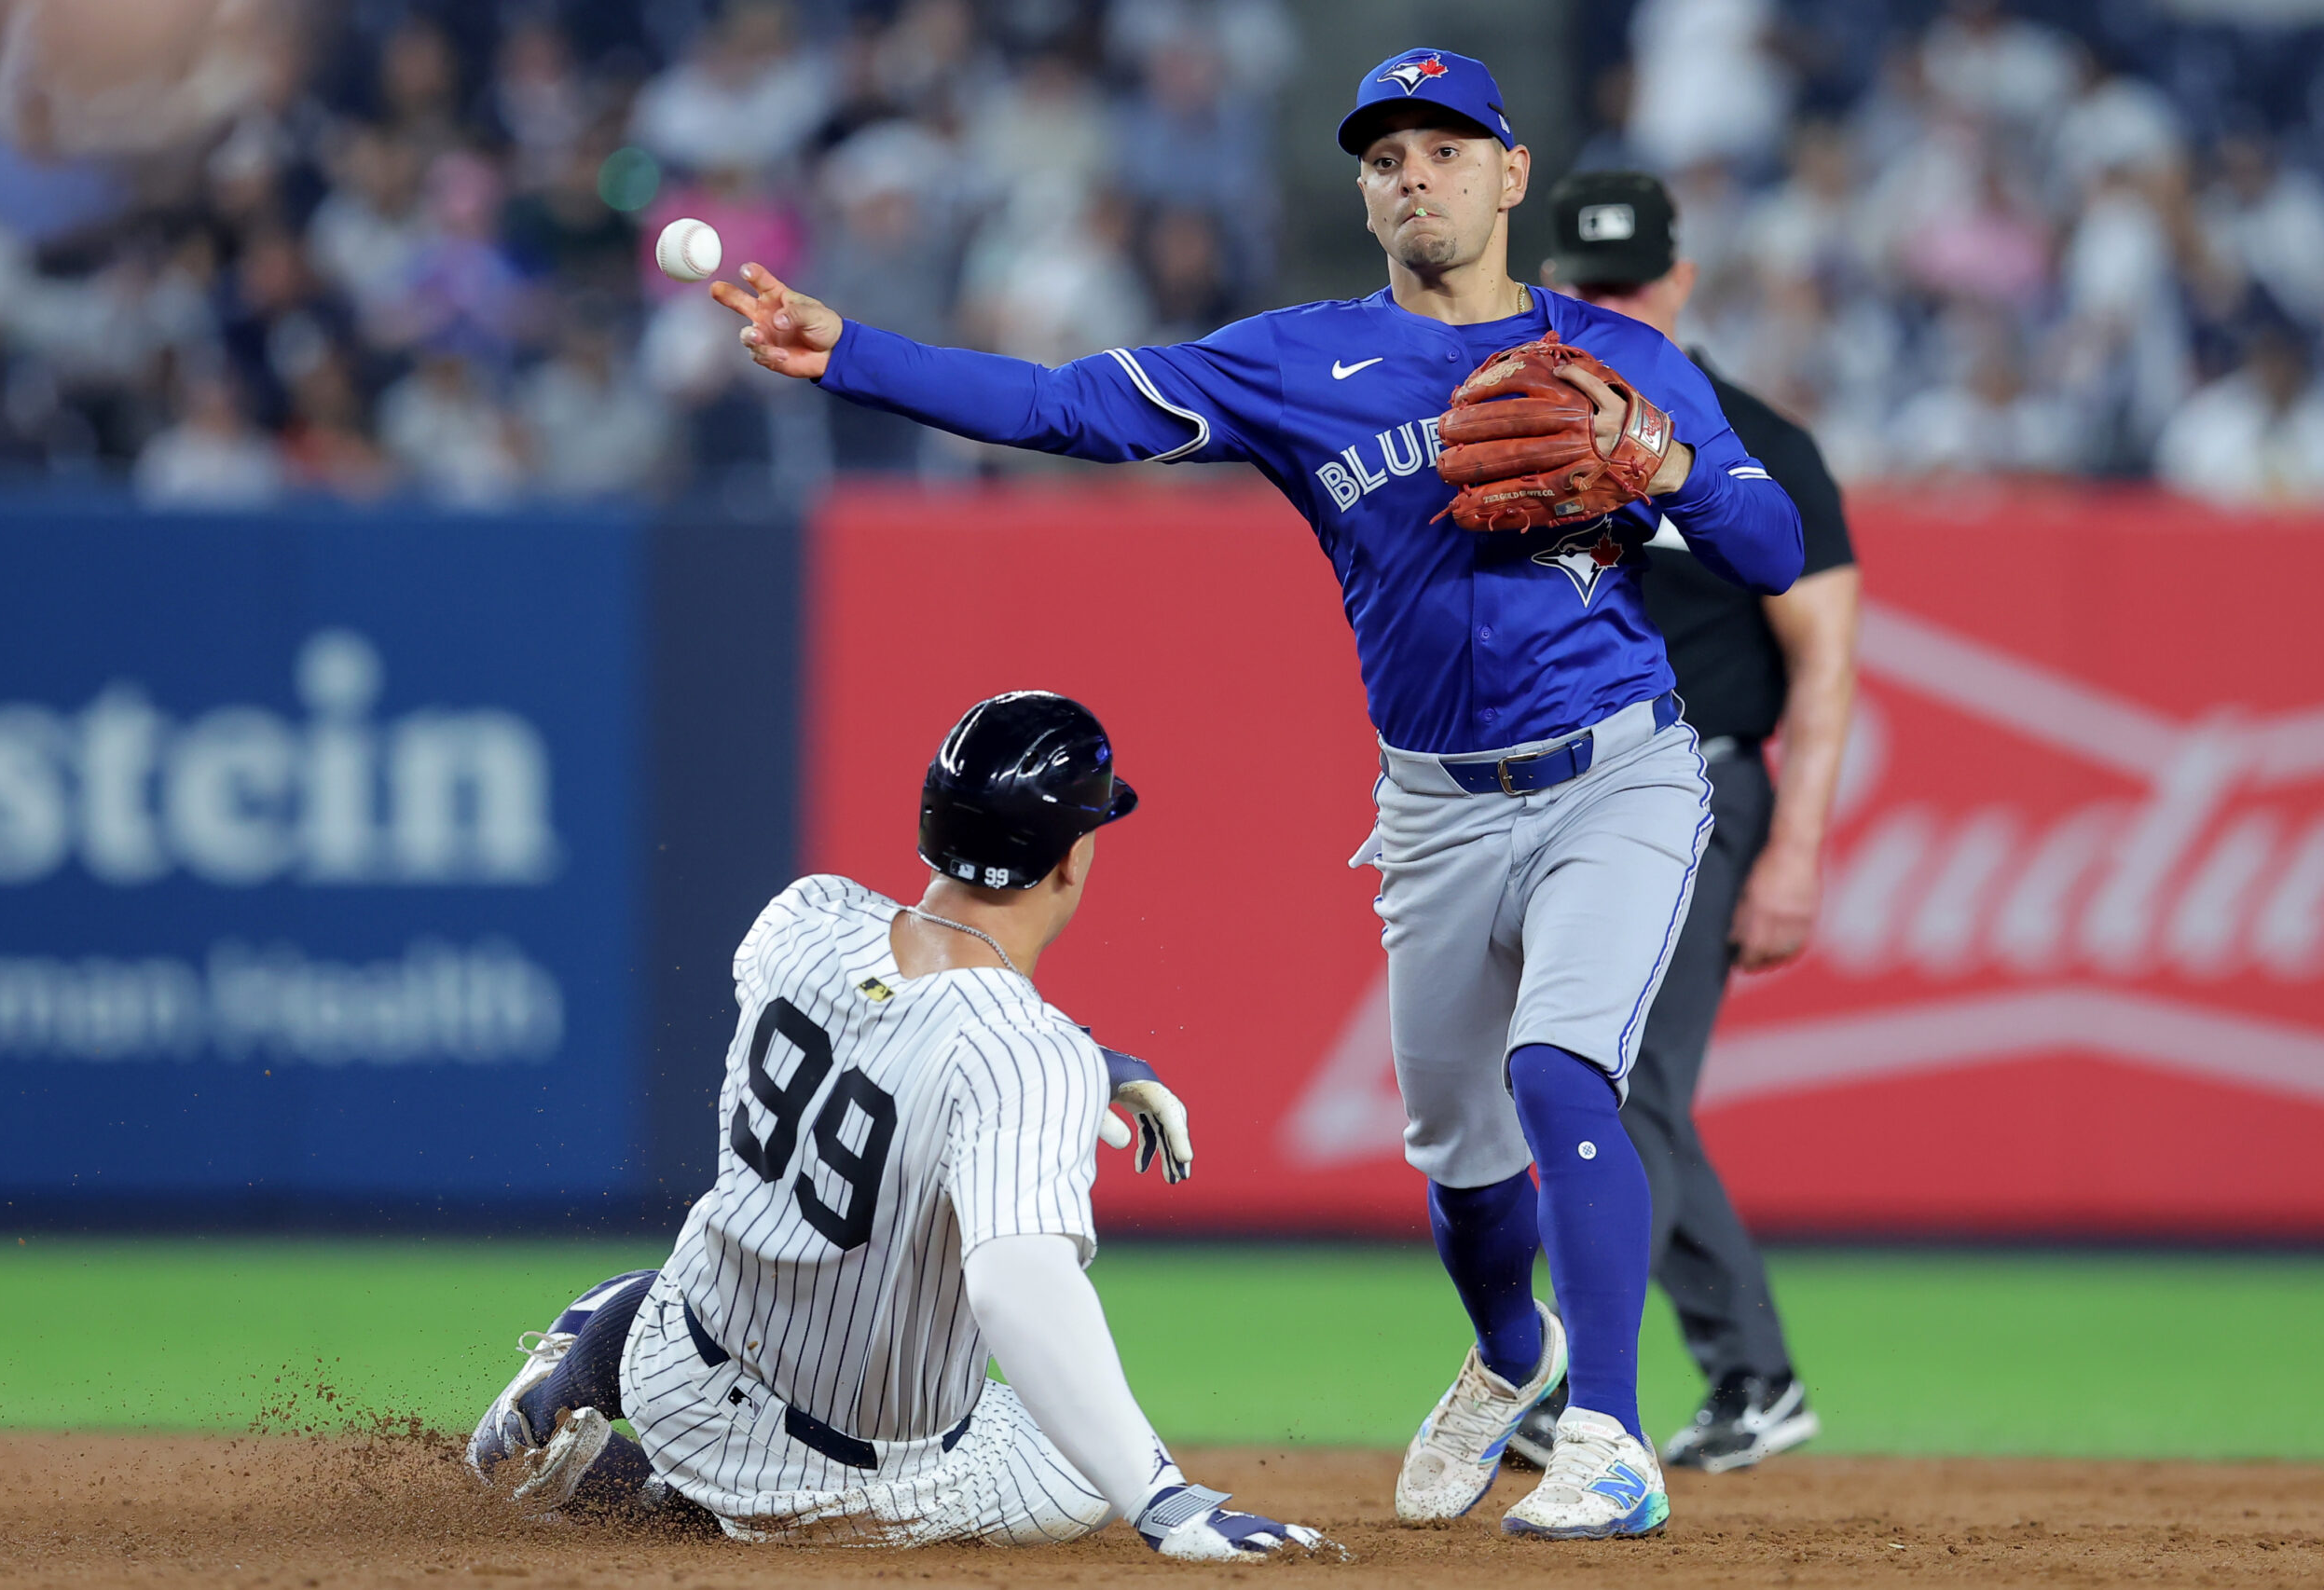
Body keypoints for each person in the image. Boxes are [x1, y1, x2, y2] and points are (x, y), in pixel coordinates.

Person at [717, 48, 1803, 1540]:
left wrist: (1660, 458)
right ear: (1364, 195)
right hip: (1432, 805)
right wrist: (852, 353)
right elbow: (1066, 406)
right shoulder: (1301, 362)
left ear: (1511, 172)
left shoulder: (1612, 355)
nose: (1412, 172)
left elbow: (1772, 544)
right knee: (1463, 1163)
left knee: (1562, 1069)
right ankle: (1510, 1353)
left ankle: (1609, 1433)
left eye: (1443, 146)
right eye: (1384, 157)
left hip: (1618, 768)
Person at [463, 692, 1328, 1560]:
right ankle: (664, 1501)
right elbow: (1017, 1286)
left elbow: (889, 1019)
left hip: (676, 1359)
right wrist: (1165, 1502)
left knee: (718, 1270)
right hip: (840, 1476)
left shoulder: (803, 917)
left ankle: (584, 1363)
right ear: (1070, 860)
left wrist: (1080, 1064)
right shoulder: (1027, 1056)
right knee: (1088, 1476)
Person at [1531, 170, 1858, 1473]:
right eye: (1586, 286)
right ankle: (1754, 1374)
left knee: (1619, 1084)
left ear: (1678, 283)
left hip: (1707, 786)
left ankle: (1574, 1382)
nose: (1610, 304)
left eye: (1628, 283)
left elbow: (1825, 660)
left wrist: (1797, 848)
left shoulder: (1757, 440)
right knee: (1594, 1084)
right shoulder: (1520, 432)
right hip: (1560, 793)